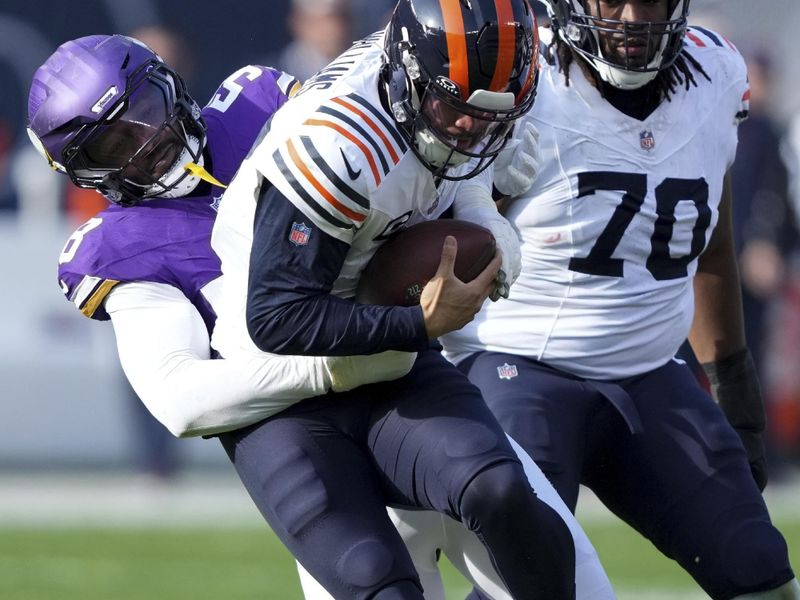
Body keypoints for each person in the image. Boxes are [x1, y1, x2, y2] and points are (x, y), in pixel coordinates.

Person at [29, 33, 611, 600]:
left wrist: (481, 197)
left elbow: (411, 154)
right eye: (112, 146)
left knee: (543, 539)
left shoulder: (259, 101)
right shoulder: (117, 248)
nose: (147, 142)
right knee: (370, 578)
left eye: (146, 112)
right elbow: (180, 399)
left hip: (407, 385)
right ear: (85, 172)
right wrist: (330, 370)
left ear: (170, 84)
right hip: (292, 429)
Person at [211, 0, 579, 597]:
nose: (469, 129)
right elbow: (276, 316)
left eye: (491, 119)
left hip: (387, 358)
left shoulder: (449, 86)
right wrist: (420, 322)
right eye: (455, 109)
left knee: (502, 494)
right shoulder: (339, 143)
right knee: (376, 581)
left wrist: (485, 207)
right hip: (282, 384)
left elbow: (457, 150)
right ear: (408, 74)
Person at [439, 1, 800, 599]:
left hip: (650, 378)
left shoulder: (714, 74)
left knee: (762, 575)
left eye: (653, 0)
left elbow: (709, 245)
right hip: (516, 369)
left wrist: (734, 387)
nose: (634, 17)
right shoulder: (522, 80)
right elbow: (437, 236)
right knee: (531, 578)